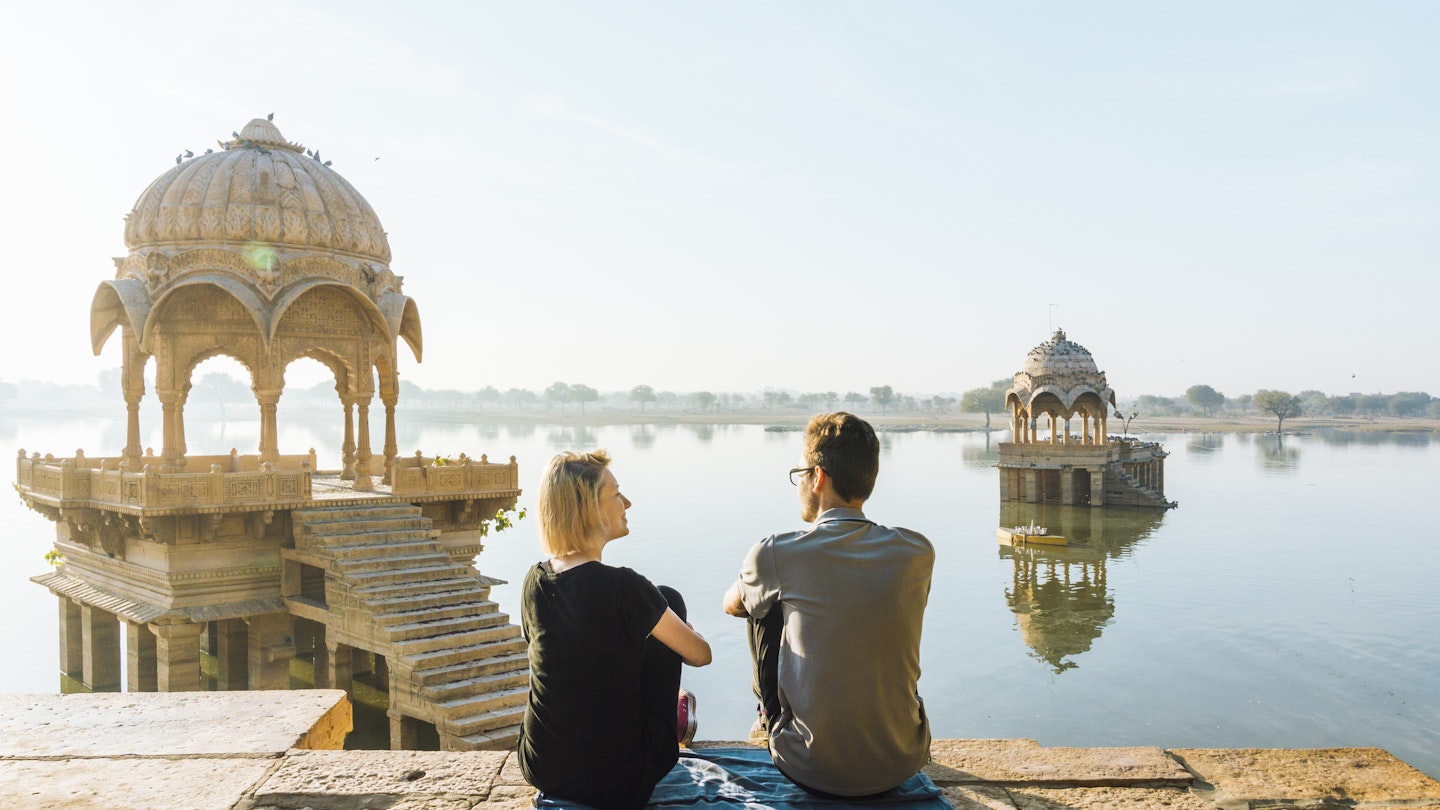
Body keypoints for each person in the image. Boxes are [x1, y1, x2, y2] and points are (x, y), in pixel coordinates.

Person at [723, 412, 934, 798]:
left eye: (801, 473)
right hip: (903, 760)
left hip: (809, 767)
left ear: (818, 477)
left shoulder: (777, 552)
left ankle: (768, 720)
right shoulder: (917, 551)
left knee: (761, 608)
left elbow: (732, 605)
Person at [518, 450, 712, 810]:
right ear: (588, 509)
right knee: (668, 598)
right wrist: (683, 629)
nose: (628, 502)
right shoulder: (626, 587)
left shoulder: (534, 582)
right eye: (616, 494)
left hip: (542, 766)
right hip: (620, 782)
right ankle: (672, 718)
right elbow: (701, 655)